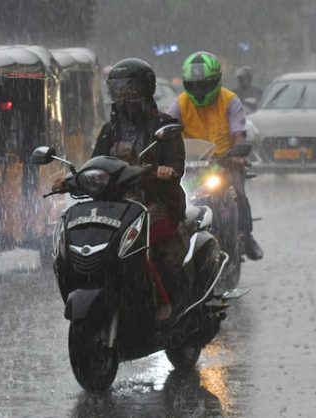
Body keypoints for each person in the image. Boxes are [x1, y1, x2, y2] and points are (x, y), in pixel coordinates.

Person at [92, 58, 187, 320]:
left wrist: (165, 171)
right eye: (118, 90)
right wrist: (72, 177)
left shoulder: (163, 126)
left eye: (130, 89)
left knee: (155, 248)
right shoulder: (109, 130)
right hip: (115, 205)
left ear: (145, 90)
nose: (123, 96)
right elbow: (95, 162)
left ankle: (169, 306)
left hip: (155, 201)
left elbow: (176, 164)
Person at [168, 51, 263, 260]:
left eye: (204, 85)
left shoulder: (230, 101)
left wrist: (237, 155)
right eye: (194, 85)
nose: (199, 90)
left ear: (216, 81)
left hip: (225, 164)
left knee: (238, 195)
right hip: (190, 166)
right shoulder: (180, 104)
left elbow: (238, 134)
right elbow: (166, 131)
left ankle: (246, 237)